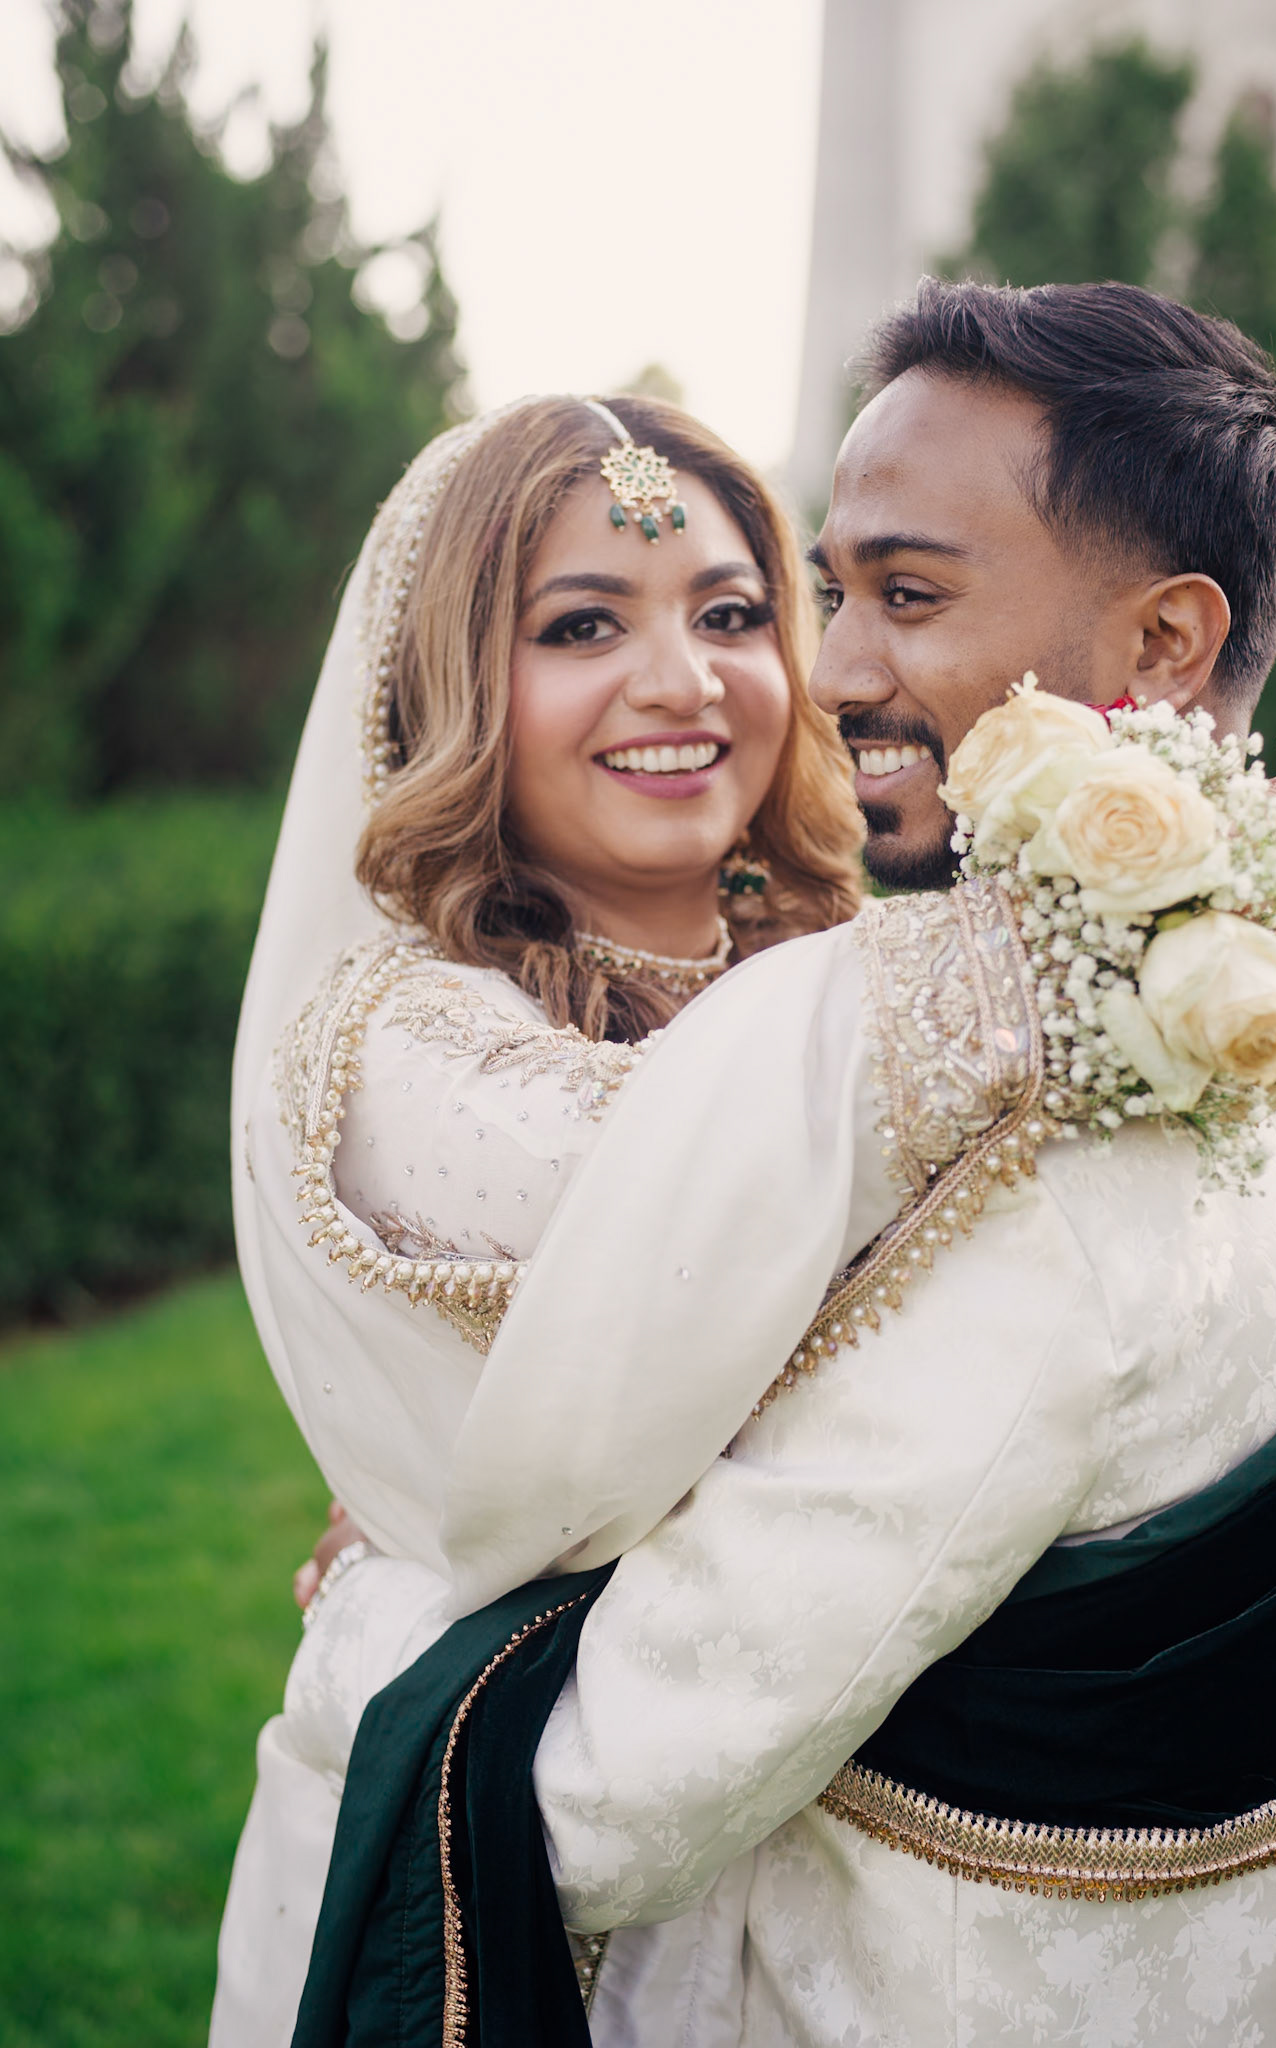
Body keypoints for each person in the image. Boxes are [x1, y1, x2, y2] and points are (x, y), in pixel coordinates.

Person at [290, 282, 1276, 2047]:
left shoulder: (1032, 1174)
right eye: (830, 592)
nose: (832, 669)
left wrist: (388, 1603)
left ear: (1168, 639)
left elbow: (609, 1791)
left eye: (907, 595)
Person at [212, 390, 869, 2045]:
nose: (682, 680)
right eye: (582, 626)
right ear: (452, 687)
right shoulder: (401, 1042)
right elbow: (718, 1208)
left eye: (730, 614)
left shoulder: (832, 975)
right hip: (519, 1850)